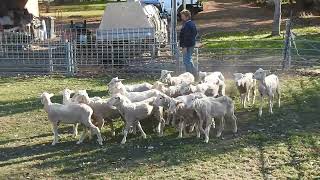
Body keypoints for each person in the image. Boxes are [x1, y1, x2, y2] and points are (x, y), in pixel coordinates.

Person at [179, 9, 198, 76]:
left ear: (187, 17)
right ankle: (195, 74)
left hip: (187, 45)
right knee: (189, 59)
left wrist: (184, 47)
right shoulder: (191, 23)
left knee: (186, 61)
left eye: (182, 16)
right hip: (191, 44)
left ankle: (189, 75)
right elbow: (195, 33)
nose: (181, 17)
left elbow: (186, 37)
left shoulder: (187, 25)